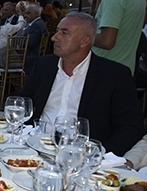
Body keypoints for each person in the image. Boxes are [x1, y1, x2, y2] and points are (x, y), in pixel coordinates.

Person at [20, 12, 144, 156]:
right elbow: (24, 103)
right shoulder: (44, 65)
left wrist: (98, 154)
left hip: (81, 157)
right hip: (33, 148)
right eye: (57, 31)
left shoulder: (114, 75)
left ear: (84, 41)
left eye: (64, 33)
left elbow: (131, 127)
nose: (54, 37)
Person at [15, 2, 48, 74]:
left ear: (36, 14)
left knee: (2, 54)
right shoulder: (37, 23)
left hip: (29, 56)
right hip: (30, 54)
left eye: (28, 13)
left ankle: (3, 80)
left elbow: (29, 43)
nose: (25, 16)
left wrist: (16, 40)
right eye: (25, 13)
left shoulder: (36, 25)